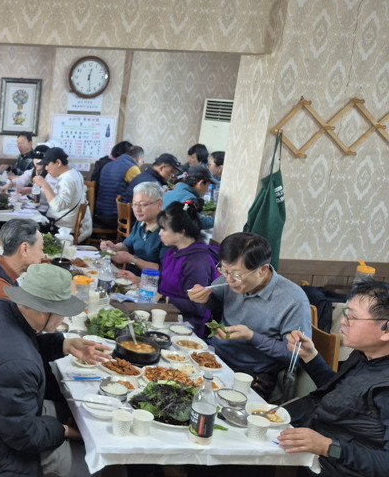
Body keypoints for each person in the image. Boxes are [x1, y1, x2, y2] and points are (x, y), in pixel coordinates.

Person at [0, 263, 112, 477]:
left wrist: (64, 345)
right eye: (62, 313)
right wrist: (66, 431)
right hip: (10, 450)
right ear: (43, 312)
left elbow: (23, 346)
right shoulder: (17, 365)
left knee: (83, 414)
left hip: (4, 412)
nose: (63, 319)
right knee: (103, 468)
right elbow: (22, 436)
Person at [277, 280, 389, 477]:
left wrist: (328, 446)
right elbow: (343, 395)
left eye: (352, 317)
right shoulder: (364, 354)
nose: (343, 321)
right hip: (308, 451)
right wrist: (310, 356)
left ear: (386, 330)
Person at [188, 232, 311, 399]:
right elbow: (216, 305)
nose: (229, 280)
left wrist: (251, 336)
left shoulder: (293, 300)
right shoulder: (229, 280)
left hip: (253, 375)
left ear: (263, 270)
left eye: (236, 275)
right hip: (214, 357)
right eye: (224, 270)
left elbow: (296, 354)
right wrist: (205, 300)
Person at [119, 201, 219, 338]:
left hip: (185, 325)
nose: (160, 233)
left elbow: (197, 307)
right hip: (162, 312)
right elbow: (167, 281)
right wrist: (140, 280)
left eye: (164, 229)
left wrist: (163, 299)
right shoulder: (172, 251)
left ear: (181, 233)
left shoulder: (198, 262)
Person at [100, 182, 166, 275]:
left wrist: (131, 259)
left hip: (151, 280)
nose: (137, 209)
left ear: (159, 204)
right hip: (130, 276)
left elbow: (164, 269)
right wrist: (114, 247)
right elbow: (128, 245)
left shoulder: (167, 230)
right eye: (134, 204)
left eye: (143, 204)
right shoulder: (141, 222)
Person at [33, 147, 92, 243]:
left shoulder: (67, 179)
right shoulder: (75, 173)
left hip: (61, 230)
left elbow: (58, 206)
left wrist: (44, 184)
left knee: (27, 230)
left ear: (58, 162)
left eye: (47, 164)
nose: (46, 168)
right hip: (59, 224)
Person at [95, 145, 144, 228]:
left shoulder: (108, 165)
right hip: (116, 216)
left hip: (99, 213)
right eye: (143, 161)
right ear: (139, 159)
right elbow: (142, 190)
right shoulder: (132, 168)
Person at [163, 164, 218, 229]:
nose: (208, 189)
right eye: (208, 185)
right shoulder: (189, 199)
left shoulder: (169, 193)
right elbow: (198, 222)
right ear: (200, 183)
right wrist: (217, 220)